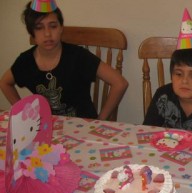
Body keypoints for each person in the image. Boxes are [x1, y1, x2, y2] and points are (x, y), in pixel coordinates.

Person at [0, 0, 128, 120]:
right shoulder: (25, 61)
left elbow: (120, 83)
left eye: (53, 26)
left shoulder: (78, 56)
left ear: (61, 27)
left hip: (83, 126)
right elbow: (4, 83)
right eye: (39, 28)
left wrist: (100, 120)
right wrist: (23, 113)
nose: (47, 34)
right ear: (31, 32)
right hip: (45, 127)